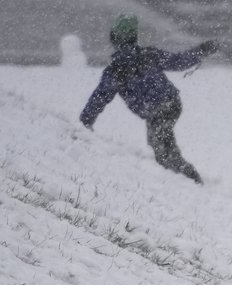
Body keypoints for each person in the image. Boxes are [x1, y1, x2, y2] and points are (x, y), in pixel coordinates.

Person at [80, 14, 221, 184]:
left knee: (162, 150)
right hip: (172, 103)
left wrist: (84, 122)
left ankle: (191, 182)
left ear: (114, 40)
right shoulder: (150, 55)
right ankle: (185, 179)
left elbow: (99, 98)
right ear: (134, 38)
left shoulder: (115, 71)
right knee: (162, 143)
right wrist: (202, 50)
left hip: (157, 110)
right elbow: (179, 62)